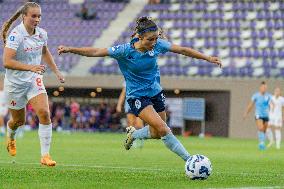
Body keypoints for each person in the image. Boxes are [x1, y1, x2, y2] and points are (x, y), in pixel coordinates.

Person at [58, 16, 222, 162]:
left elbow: (183, 50)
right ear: (140, 37)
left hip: (156, 92)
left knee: (157, 133)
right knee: (164, 129)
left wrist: (207, 58)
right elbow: (96, 51)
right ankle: (190, 160)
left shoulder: (157, 46)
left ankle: (134, 134)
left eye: (156, 39)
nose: (154, 43)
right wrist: (71, 49)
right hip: (137, 97)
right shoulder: (124, 51)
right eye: (150, 39)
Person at [1, 2, 65, 166]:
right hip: (15, 84)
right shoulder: (16, 35)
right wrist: (31, 67)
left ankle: (45, 155)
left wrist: (56, 71)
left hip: (33, 80)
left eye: (39, 16)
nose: (37, 19)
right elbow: (7, 62)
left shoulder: (42, 34)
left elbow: (44, 52)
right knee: (18, 122)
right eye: (33, 16)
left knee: (44, 112)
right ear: (24, 16)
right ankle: (11, 136)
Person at [243, 81, 273, 150]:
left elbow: (273, 103)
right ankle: (261, 144)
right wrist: (246, 113)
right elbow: (250, 105)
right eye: (263, 87)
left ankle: (262, 142)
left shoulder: (269, 96)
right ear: (260, 88)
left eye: (265, 87)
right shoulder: (256, 95)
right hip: (258, 114)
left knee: (264, 130)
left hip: (266, 115)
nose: (264, 88)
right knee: (260, 128)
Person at [116, 81, 144, 148]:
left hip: (140, 104)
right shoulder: (127, 80)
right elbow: (123, 94)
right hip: (129, 104)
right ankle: (131, 141)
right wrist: (119, 105)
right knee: (131, 124)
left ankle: (140, 140)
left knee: (139, 124)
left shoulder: (142, 78)